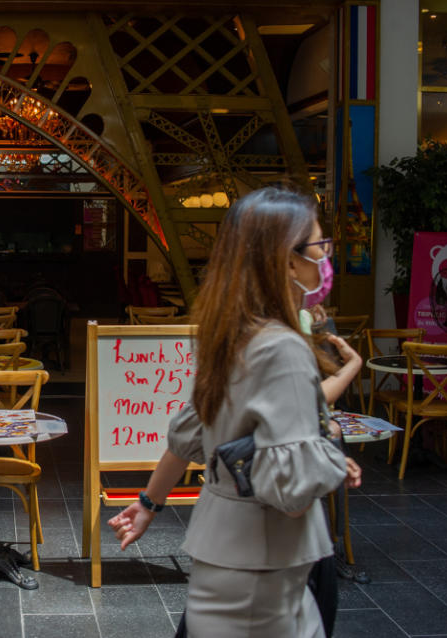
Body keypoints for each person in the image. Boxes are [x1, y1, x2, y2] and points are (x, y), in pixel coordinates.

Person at [108, 187, 362, 638]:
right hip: (264, 564)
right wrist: (326, 455)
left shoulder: (233, 335)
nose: (325, 261)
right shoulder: (283, 347)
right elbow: (291, 491)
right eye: (320, 247)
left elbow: (188, 431)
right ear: (286, 261)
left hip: (230, 552)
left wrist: (149, 502)